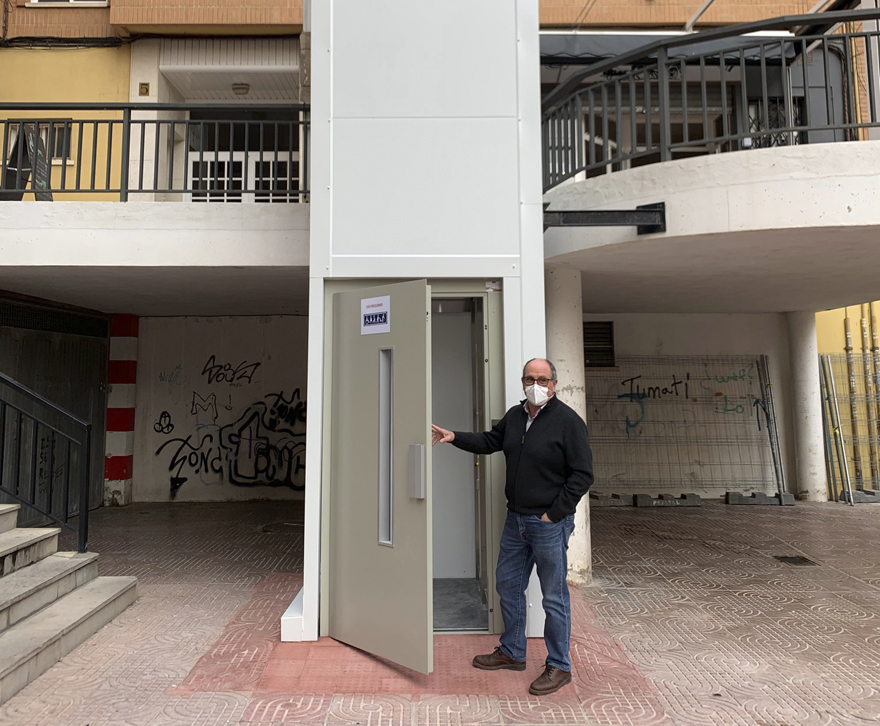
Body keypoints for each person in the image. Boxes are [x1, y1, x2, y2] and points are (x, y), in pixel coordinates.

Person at [431, 358, 593, 696]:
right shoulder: (516, 416)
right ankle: (513, 651)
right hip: (516, 519)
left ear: (554, 383)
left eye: (543, 379)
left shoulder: (568, 422)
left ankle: (559, 665)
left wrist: (554, 514)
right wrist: (452, 436)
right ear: (523, 381)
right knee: (508, 585)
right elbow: (491, 441)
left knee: (553, 597)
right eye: (530, 378)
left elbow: (582, 475)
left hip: (548, 524)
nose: (536, 384)